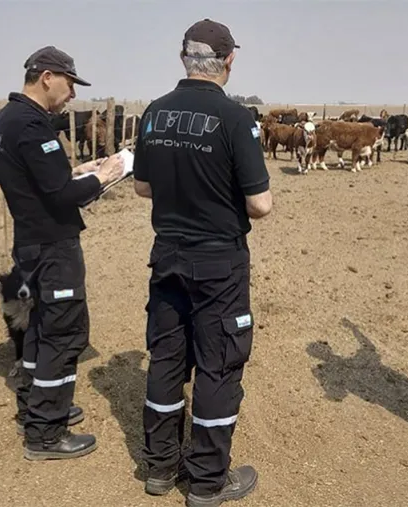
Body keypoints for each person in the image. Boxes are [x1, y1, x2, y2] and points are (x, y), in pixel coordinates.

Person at [132, 19, 272, 507]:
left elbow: (142, 186)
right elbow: (260, 204)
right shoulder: (234, 118)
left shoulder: (154, 112)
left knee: (167, 357)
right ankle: (208, 481)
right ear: (229, 60)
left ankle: (159, 466)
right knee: (219, 365)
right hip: (218, 263)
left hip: (167, 254)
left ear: (183, 58)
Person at [0, 45, 125, 461]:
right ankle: (46, 432)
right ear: (47, 77)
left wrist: (79, 171)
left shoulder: (6, 120)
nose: (73, 94)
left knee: (38, 327)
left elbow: (39, 182)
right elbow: (63, 196)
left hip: (29, 241)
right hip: (52, 247)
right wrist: (104, 176)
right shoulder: (32, 125)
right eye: (70, 83)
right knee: (63, 334)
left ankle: (35, 406)